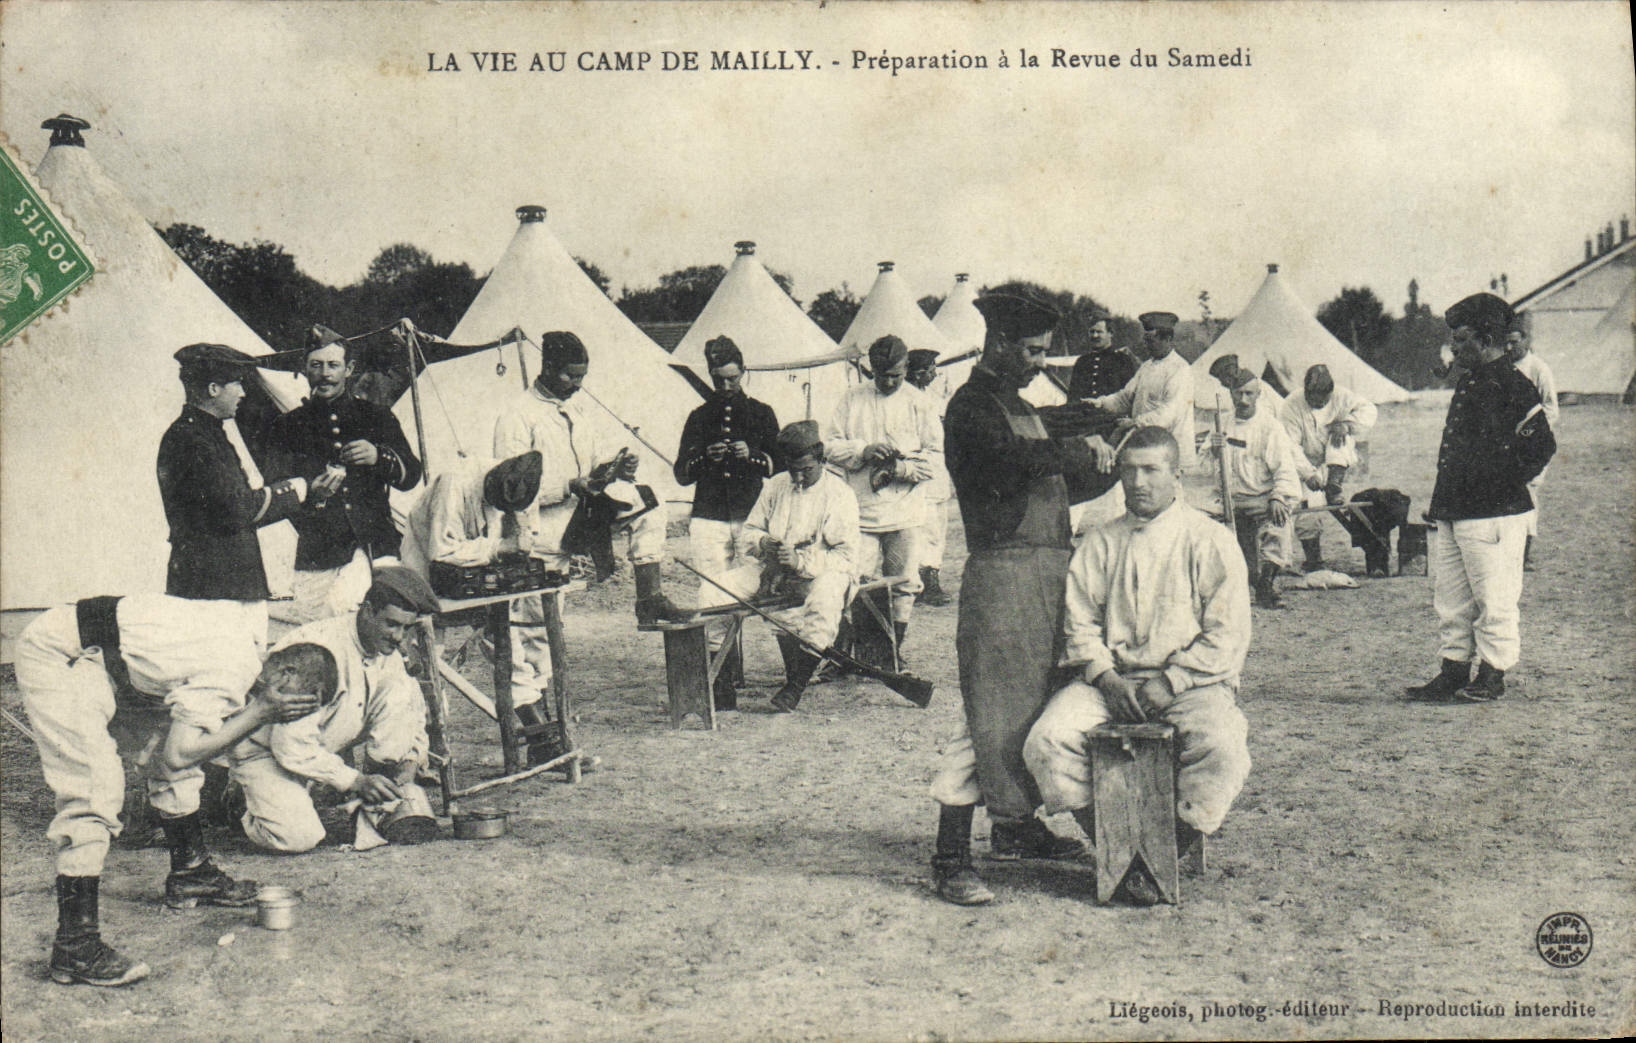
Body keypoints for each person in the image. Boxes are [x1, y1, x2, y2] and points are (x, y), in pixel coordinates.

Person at [14, 593, 330, 986]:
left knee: (171, 754)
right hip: (62, 652)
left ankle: (191, 871)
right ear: (284, 676)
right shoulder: (232, 670)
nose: (291, 715)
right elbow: (182, 754)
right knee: (96, 786)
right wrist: (260, 712)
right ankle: (75, 945)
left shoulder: (244, 645)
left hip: (111, 657)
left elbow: (178, 752)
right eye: (298, 704)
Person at [926, 293, 1107, 906]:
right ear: (999, 344)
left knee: (1034, 706)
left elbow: (1066, 475)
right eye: (1030, 351)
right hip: (1002, 580)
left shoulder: (1020, 406)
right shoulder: (972, 408)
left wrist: (1117, 449)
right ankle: (950, 856)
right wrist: (1082, 439)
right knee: (984, 715)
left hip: (1049, 576)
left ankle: (1015, 829)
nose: (1038, 361)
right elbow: (1011, 464)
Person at [1023, 426, 1253, 905]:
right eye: (1128, 470)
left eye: (1151, 470)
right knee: (1048, 740)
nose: (1138, 482)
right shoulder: (1100, 541)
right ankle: (1115, 847)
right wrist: (1105, 678)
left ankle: (1165, 849)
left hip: (1193, 683)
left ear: (1176, 473)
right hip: (1113, 682)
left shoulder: (1209, 539)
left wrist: (1174, 680)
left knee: (1223, 747)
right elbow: (1079, 624)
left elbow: (1227, 633)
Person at [493, 331, 691, 714]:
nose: (577, 384)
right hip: (542, 525)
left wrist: (617, 465)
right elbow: (511, 484)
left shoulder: (578, 409)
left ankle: (649, 598)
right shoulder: (518, 414)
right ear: (547, 368)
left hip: (584, 512)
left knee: (649, 502)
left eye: (582, 376)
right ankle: (541, 710)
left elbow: (594, 457)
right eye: (570, 376)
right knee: (540, 623)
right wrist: (567, 485)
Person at [1407, 293, 1555, 704]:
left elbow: (1541, 444)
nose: (1454, 347)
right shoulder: (1471, 381)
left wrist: (1501, 487)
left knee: (1494, 596)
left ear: (1488, 338)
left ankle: (1493, 673)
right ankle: (1453, 669)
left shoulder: (1513, 385)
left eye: (1462, 338)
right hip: (1456, 510)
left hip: (1493, 513)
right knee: (1451, 597)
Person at [230, 568, 439, 853]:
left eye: (406, 627)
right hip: (266, 751)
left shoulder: (383, 648)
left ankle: (372, 792)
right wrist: (353, 780)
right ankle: (238, 799)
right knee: (298, 837)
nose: (399, 637)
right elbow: (288, 746)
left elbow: (412, 711)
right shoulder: (317, 652)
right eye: (392, 624)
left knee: (403, 690)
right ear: (367, 611)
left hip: (320, 743)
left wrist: (409, 762)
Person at [699, 421, 860, 711]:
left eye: (806, 469)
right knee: (713, 590)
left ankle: (794, 686)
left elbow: (846, 558)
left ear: (821, 459)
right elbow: (749, 531)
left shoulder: (839, 494)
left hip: (821, 574)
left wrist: (801, 561)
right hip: (772, 572)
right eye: (792, 468)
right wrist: (763, 543)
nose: (798, 477)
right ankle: (721, 686)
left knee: (825, 597)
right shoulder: (776, 485)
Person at [267, 326, 423, 624]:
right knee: (318, 626)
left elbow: (412, 476)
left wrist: (379, 456)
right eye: (316, 365)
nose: (325, 374)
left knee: (375, 625)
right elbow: (275, 490)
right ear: (305, 369)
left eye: (333, 365)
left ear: (349, 369)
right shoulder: (287, 426)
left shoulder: (377, 416)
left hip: (377, 545)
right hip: (320, 551)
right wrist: (312, 493)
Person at [156, 343, 312, 641]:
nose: (243, 393)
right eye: (237, 383)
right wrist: (297, 490)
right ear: (214, 389)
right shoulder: (192, 439)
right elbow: (236, 510)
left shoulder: (206, 433)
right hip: (215, 588)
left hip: (225, 583)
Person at [674, 336, 781, 708]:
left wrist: (753, 455)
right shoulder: (698, 417)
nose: (725, 387)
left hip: (750, 516)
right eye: (719, 380)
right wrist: (705, 456)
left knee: (749, 590)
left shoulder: (762, 413)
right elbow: (682, 474)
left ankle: (738, 671)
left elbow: (780, 465)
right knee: (714, 594)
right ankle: (722, 680)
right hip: (709, 519)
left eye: (732, 379)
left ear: (743, 372)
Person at [823, 335, 943, 658]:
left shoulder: (920, 402)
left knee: (903, 582)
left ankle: (889, 652)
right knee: (854, 580)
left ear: (906, 368)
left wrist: (900, 469)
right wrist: (864, 450)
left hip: (906, 511)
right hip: (860, 509)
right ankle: (850, 652)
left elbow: (936, 457)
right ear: (870, 369)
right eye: (882, 375)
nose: (889, 381)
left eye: (896, 375)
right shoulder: (852, 399)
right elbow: (830, 447)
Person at [1204, 368, 1301, 608]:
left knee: (1280, 523)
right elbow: (1203, 467)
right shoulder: (1221, 423)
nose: (1243, 400)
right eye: (1238, 394)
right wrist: (1213, 450)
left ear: (1259, 394)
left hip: (1262, 498)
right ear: (1231, 394)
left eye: (1249, 394)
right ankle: (1244, 583)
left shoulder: (1270, 427)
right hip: (1230, 500)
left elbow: (1284, 467)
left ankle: (1267, 582)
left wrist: (1278, 497)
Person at [1278, 364, 1377, 572]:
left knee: (1339, 437)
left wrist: (1348, 425)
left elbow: (1369, 410)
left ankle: (1335, 487)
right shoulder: (1291, 406)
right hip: (1302, 463)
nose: (1318, 403)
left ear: (1331, 393)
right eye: (1313, 399)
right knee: (1307, 509)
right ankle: (1314, 560)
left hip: (1333, 462)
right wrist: (1307, 474)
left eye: (1323, 400)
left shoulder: (1342, 396)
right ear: (1306, 392)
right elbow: (1290, 446)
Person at [1083, 311, 1195, 471]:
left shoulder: (1181, 370)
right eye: (1145, 339)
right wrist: (1100, 402)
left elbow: (1169, 413)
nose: (1146, 344)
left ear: (1167, 339)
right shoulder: (1147, 367)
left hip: (1169, 449)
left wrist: (1135, 422)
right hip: (1147, 444)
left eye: (1151, 340)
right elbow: (1125, 397)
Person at [905, 348, 954, 607]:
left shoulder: (932, 397)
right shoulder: (907, 398)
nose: (935, 373)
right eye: (931, 369)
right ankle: (921, 581)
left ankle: (929, 576)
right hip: (919, 472)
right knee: (924, 529)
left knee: (937, 528)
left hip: (937, 470)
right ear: (919, 373)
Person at [1507, 325, 1558, 571]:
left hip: (1534, 444)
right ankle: (1510, 550)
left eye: (1514, 342)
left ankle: (1525, 553)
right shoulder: (1504, 367)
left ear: (1525, 340)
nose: (1510, 347)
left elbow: (1551, 409)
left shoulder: (1538, 368)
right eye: (1506, 342)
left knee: (1527, 491)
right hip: (1507, 444)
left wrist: (1527, 434)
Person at [1065, 313, 1137, 401]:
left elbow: (1129, 395)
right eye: (1092, 331)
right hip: (1084, 413)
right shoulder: (1082, 361)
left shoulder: (1122, 360)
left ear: (1110, 333)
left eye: (1099, 332)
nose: (1095, 335)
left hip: (1111, 413)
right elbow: (1072, 396)